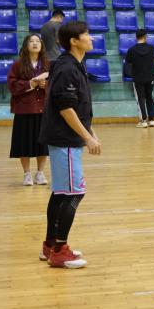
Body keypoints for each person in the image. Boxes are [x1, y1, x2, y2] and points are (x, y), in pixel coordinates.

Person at [38, 20, 99, 269]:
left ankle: (51, 244)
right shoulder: (67, 68)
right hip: (65, 139)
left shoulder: (73, 65)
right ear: (74, 41)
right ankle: (60, 251)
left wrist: (91, 131)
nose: (91, 38)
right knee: (74, 193)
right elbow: (65, 109)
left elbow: (78, 107)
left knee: (61, 192)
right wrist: (87, 137)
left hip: (64, 138)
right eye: (87, 34)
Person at [7, 33, 50, 186]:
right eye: (31, 41)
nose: (35, 43)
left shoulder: (47, 64)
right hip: (23, 109)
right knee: (23, 143)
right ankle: (26, 173)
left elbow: (55, 84)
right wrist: (31, 84)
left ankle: (40, 173)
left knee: (42, 144)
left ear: (41, 45)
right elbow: (12, 85)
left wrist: (45, 85)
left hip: (43, 109)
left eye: (38, 41)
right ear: (26, 45)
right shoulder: (18, 64)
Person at [124, 29, 154, 128]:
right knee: (149, 97)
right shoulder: (151, 48)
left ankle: (143, 120)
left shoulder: (131, 50)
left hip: (138, 77)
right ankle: (151, 120)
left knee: (141, 98)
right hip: (150, 77)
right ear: (145, 37)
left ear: (136, 37)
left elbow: (128, 62)